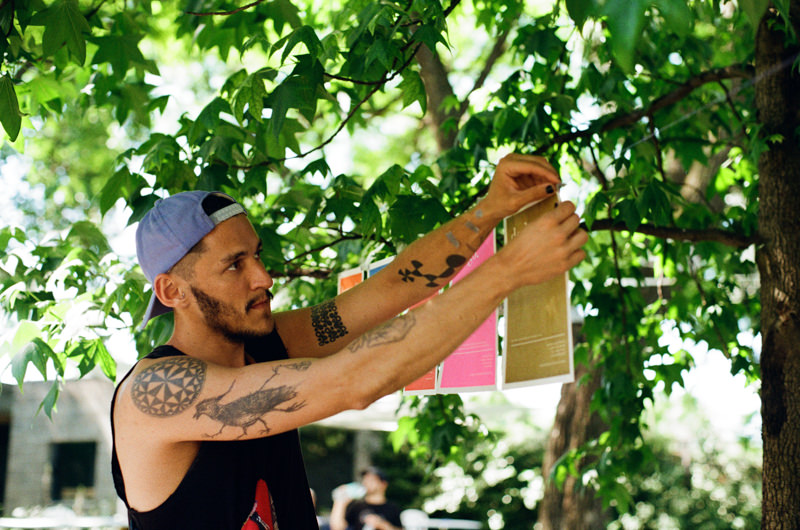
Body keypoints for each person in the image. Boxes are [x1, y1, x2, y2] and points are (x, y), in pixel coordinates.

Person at [110, 153, 588, 529]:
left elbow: (393, 286)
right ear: (172, 292)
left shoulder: (270, 342)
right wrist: (508, 271)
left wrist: (492, 207)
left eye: (257, 255)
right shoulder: (155, 394)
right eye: (234, 265)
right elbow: (353, 382)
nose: (263, 278)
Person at [329, 467, 402, 530]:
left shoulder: (392, 508)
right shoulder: (357, 506)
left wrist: (382, 525)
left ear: (383, 484)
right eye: (365, 479)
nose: (366, 482)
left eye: (371, 480)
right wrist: (340, 502)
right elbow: (337, 528)